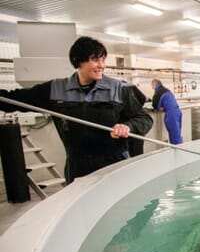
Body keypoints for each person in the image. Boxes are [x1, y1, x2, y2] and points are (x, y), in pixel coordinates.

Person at [0, 36, 153, 183]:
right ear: (77, 61)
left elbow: (145, 119)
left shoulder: (119, 89)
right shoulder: (55, 89)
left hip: (114, 163)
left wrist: (127, 126)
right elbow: (14, 99)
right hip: (77, 167)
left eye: (103, 59)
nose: (102, 65)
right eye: (95, 59)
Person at [151, 78, 183, 144]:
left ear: (154, 85)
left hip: (171, 114)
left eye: (152, 86)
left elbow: (155, 105)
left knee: (174, 136)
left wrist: (160, 108)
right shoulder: (166, 90)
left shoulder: (158, 92)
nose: (152, 88)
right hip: (178, 112)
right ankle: (179, 149)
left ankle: (177, 151)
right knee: (177, 134)